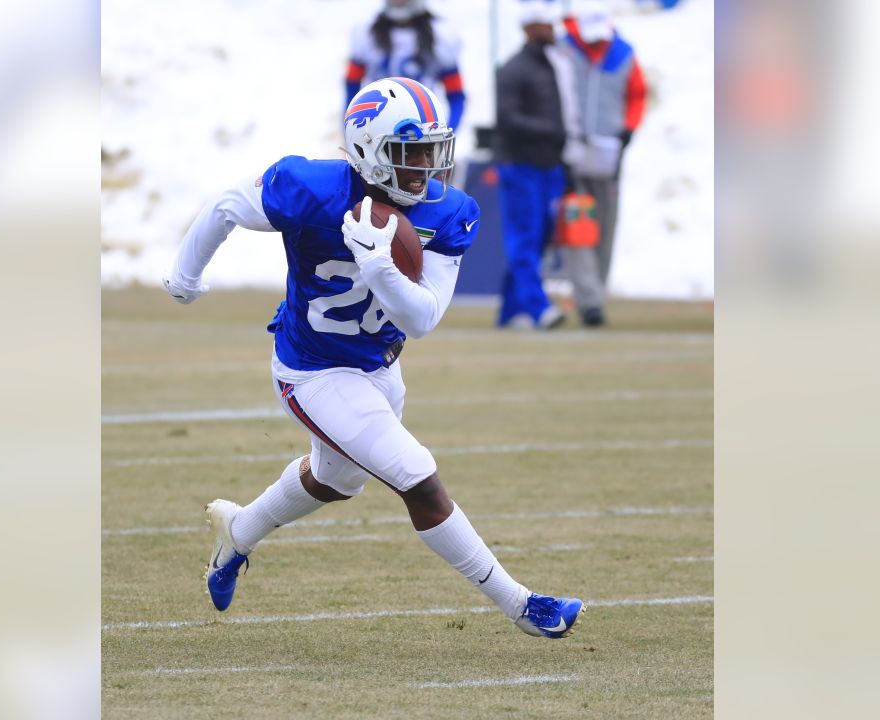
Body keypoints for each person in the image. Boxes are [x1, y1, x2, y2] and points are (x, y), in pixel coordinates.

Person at [163, 77, 583, 639]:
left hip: (380, 366)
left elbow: (422, 318)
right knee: (419, 478)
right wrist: (186, 275)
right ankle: (523, 605)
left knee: (336, 480)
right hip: (311, 369)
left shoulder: (449, 210)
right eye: (410, 155)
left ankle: (238, 532)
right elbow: (226, 206)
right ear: (367, 150)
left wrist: (381, 266)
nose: (424, 169)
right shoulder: (308, 187)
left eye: (432, 153)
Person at [558, 1, 647, 326]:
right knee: (577, 225)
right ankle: (589, 300)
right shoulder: (564, 49)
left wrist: (629, 130)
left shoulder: (624, 54)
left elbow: (638, 94)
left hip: (609, 155)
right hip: (572, 152)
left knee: (605, 226)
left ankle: (596, 290)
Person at [493, 1, 569, 330]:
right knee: (525, 237)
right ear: (530, 28)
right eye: (546, 25)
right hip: (521, 164)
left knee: (540, 237)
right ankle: (539, 308)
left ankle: (510, 310)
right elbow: (507, 118)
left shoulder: (552, 64)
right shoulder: (513, 68)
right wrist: (550, 129)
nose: (552, 31)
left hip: (549, 165)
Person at [346, 0, 467, 131]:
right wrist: (352, 129)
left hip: (423, 127)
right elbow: (351, 87)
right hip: (377, 127)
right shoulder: (366, 32)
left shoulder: (441, 34)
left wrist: (449, 130)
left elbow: (456, 94)